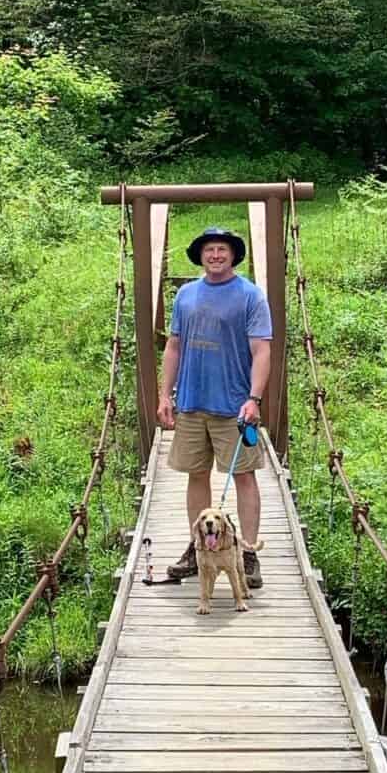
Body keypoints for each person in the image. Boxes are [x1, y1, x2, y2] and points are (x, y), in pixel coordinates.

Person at [156, 226, 272, 589]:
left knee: (244, 476)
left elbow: (262, 351)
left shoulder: (251, 296)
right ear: (200, 255)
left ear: (233, 255)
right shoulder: (186, 295)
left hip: (235, 407)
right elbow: (173, 347)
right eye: (209, 250)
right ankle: (198, 548)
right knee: (196, 474)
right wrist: (165, 395)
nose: (216, 255)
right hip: (192, 402)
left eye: (222, 249)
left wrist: (254, 399)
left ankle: (248, 552)